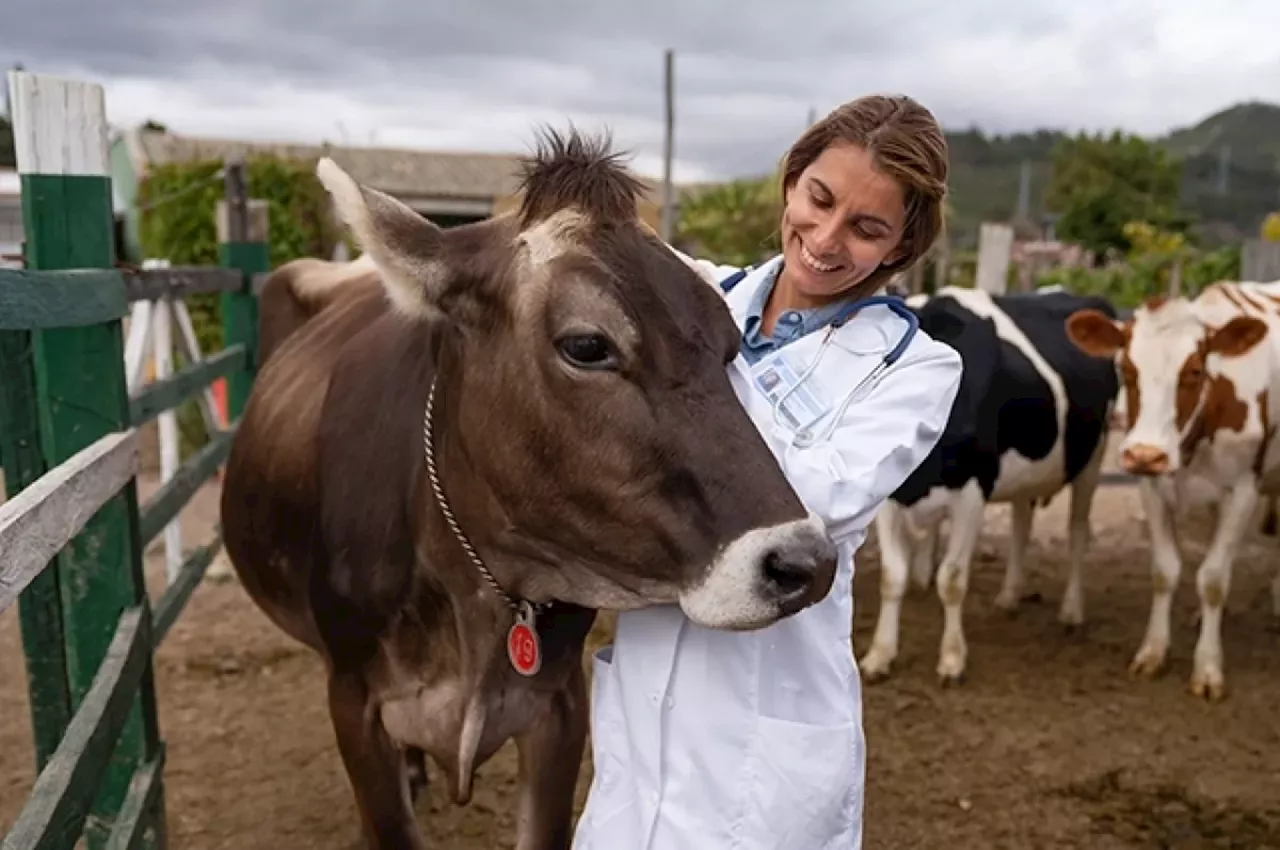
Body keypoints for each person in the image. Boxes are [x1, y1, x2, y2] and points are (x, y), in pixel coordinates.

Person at [571, 94, 964, 850]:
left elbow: (808, 505)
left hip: (768, 717)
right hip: (646, 711)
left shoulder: (915, 368)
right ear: (792, 180)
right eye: (818, 199)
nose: (824, 238)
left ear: (903, 243)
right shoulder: (695, 299)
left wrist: (670, 393)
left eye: (866, 227)